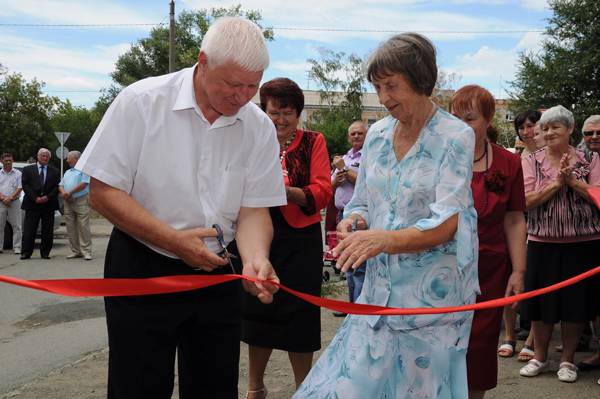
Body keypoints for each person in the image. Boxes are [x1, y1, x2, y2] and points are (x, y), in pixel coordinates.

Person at [76, 17, 286, 399]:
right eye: (232, 84)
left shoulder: (257, 127)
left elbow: (254, 210)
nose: (242, 97)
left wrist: (256, 260)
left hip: (219, 272)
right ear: (203, 62)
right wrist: (173, 241)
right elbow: (103, 192)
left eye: (252, 86)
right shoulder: (141, 102)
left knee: (215, 386)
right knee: (137, 386)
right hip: (143, 266)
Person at [293, 33, 479, 398]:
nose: (383, 98)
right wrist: (355, 221)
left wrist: (384, 239)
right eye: (377, 87)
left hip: (432, 304)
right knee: (341, 387)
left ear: (421, 78)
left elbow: (448, 222)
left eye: (391, 86)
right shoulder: (376, 134)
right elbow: (363, 203)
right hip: (377, 295)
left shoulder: (455, 136)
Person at [242, 77, 332, 399]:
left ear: (298, 114)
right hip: (256, 233)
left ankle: (303, 389)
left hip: (301, 240)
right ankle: (255, 387)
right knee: (259, 310)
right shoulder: (250, 139)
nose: (281, 120)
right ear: (263, 110)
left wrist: (285, 191)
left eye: (288, 113)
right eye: (274, 112)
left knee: (300, 314)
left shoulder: (313, 141)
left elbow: (323, 192)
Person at [449, 85, 527, 399]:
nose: (460, 126)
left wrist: (518, 271)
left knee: (480, 344)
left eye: (469, 119)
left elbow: (514, 219)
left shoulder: (509, 163)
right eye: (454, 118)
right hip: (442, 264)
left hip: (490, 267)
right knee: (438, 339)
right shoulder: (438, 158)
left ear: (489, 119)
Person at [518, 105, 600, 383]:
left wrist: (574, 183)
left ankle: (567, 361)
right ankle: (540, 356)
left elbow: (598, 196)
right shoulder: (531, 160)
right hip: (542, 242)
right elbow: (525, 201)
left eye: (555, 127)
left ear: (570, 128)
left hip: (583, 243)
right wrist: (556, 185)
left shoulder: (591, 158)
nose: (549, 132)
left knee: (575, 306)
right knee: (541, 305)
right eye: (545, 128)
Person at [330, 120, 368, 316]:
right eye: (352, 133)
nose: (356, 136)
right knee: (348, 266)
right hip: (342, 216)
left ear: (366, 134)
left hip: (359, 218)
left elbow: (364, 183)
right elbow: (330, 187)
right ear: (348, 137)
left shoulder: (369, 156)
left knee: (358, 265)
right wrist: (335, 180)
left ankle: (358, 310)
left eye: (360, 133)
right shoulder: (345, 157)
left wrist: (344, 169)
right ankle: (351, 307)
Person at [575, 114, 600, 379]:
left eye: (599, 133)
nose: (594, 137)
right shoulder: (581, 159)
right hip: (591, 237)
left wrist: (576, 186)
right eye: (588, 133)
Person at [20, 148, 60, 260]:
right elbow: (25, 185)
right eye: (43, 156)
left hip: (48, 204)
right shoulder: (27, 169)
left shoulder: (55, 171)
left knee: (47, 230)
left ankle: (45, 252)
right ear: (38, 156)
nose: (45, 158)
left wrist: (47, 197)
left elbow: (58, 187)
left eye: (47, 156)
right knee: (29, 229)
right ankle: (26, 252)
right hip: (32, 204)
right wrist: (35, 198)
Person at [58, 151, 92, 260]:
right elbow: (61, 184)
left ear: (76, 158)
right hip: (68, 202)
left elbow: (83, 185)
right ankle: (76, 251)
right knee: (71, 227)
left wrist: (68, 193)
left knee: (83, 226)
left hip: (80, 201)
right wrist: (65, 195)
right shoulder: (68, 172)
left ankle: (86, 252)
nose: (67, 160)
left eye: (69, 158)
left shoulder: (84, 170)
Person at [0, 153, 22, 254]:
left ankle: (17, 247)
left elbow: (20, 188)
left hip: (14, 202)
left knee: (16, 226)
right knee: (0, 226)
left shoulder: (18, 173)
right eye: (6, 160)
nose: (8, 162)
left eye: (10, 160)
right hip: (1, 202)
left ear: (12, 161)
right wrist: (3, 199)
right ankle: (0, 247)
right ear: (1, 161)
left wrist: (10, 198)